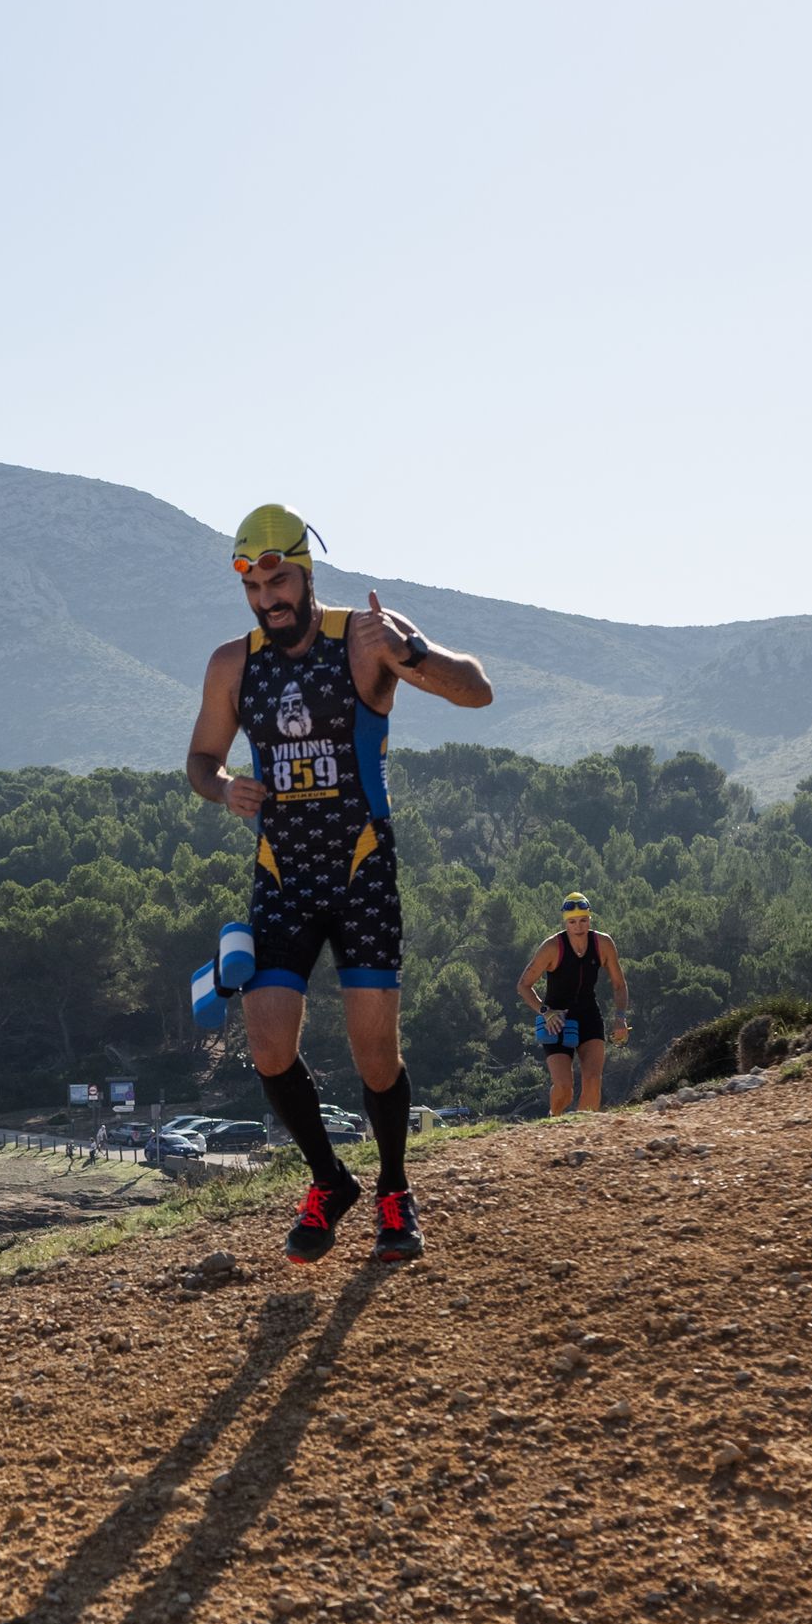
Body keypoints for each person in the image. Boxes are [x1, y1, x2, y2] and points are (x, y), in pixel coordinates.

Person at [186, 505, 493, 1261]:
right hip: (282, 875)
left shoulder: (364, 636)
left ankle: (394, 1189)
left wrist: (410, 651)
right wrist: (224, 788)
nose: (267, 600)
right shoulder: (233, 663)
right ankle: (330, 1180)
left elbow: (476, 690)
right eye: (253, 589)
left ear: (305, 571)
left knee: (374, 1055)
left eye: (278, 583)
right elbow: (201, 759)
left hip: (361, 872)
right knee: (267, 1045)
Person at [518, 892, 629, 1113]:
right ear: (565, 923)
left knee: (593, 1081)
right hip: (557, 1020)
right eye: (572, 922)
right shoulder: (552, 947)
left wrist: (620, 1018)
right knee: (564, 1088)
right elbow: (523, 985)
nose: (578, 927)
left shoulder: (603, 944)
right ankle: (555, 1120)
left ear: (590, 919)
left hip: (589, 1015)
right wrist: (545, 1011)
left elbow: (619, 985)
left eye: (583, 920)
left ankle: (583, 1128)